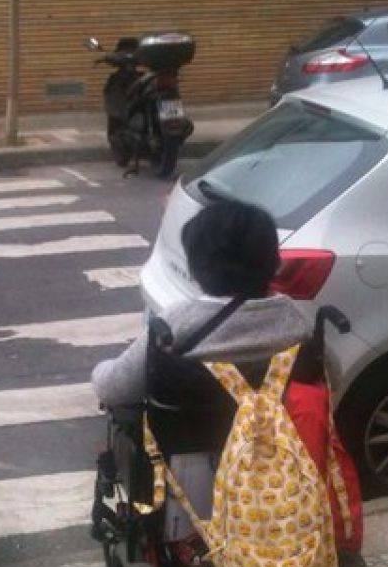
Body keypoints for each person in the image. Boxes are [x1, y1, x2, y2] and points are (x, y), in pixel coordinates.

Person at [92, 199, 317, 539]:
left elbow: (113, 387)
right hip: (273, 460)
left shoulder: (179, 323)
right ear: (273, 262)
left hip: (185, 464)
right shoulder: (297, 323)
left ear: (198, 266)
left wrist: (100, 371)